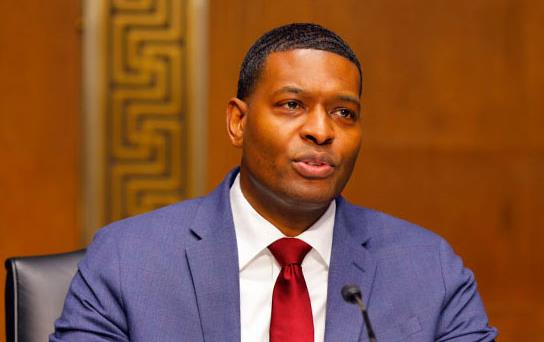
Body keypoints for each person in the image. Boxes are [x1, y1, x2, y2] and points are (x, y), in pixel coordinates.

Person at [51, 23, 497, 341]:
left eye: (344, 113)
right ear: (238, 122)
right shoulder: (129, 261)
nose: (322, 131)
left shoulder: (428, 269)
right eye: (291, 104)